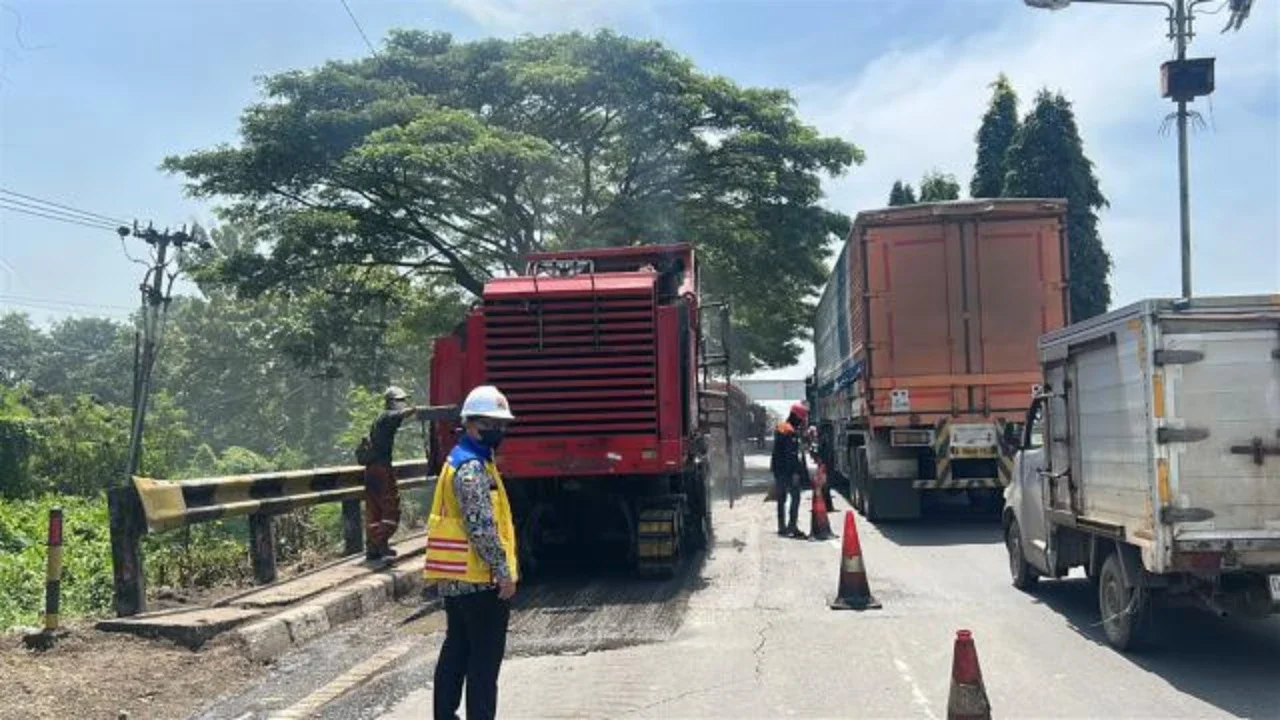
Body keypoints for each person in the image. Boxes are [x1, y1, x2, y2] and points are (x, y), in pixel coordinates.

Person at [426, 385, 519, 720]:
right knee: (483, 663)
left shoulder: (461, 460)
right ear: (471, 424)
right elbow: (480, 526)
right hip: (479, 580)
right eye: (493, 425)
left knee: (457, 651)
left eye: (503, 425)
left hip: (457, 578)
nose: (500, 431)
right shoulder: (472, 469)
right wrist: (502, 571)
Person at [363, 386, 429, 561]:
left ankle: (374, 548)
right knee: (390, 508)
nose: (403, 404)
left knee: (375, 510)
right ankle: (380, 543)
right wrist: (415, 410)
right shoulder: (387, 416)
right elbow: (397, 415)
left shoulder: (378, 418)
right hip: (382, 470)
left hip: (371, 470)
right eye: (401, 401)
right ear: (393, 402)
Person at [770, 402, 809, 538]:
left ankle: (782, 527)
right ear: (796, 417)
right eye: (801, 420)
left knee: (781, 499)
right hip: (786, 470)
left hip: (777, 469)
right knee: (795, 497)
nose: (801, 423)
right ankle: (792, 526)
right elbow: (790, 455)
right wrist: (795, 473)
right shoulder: (789, 431)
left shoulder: (781, 427)